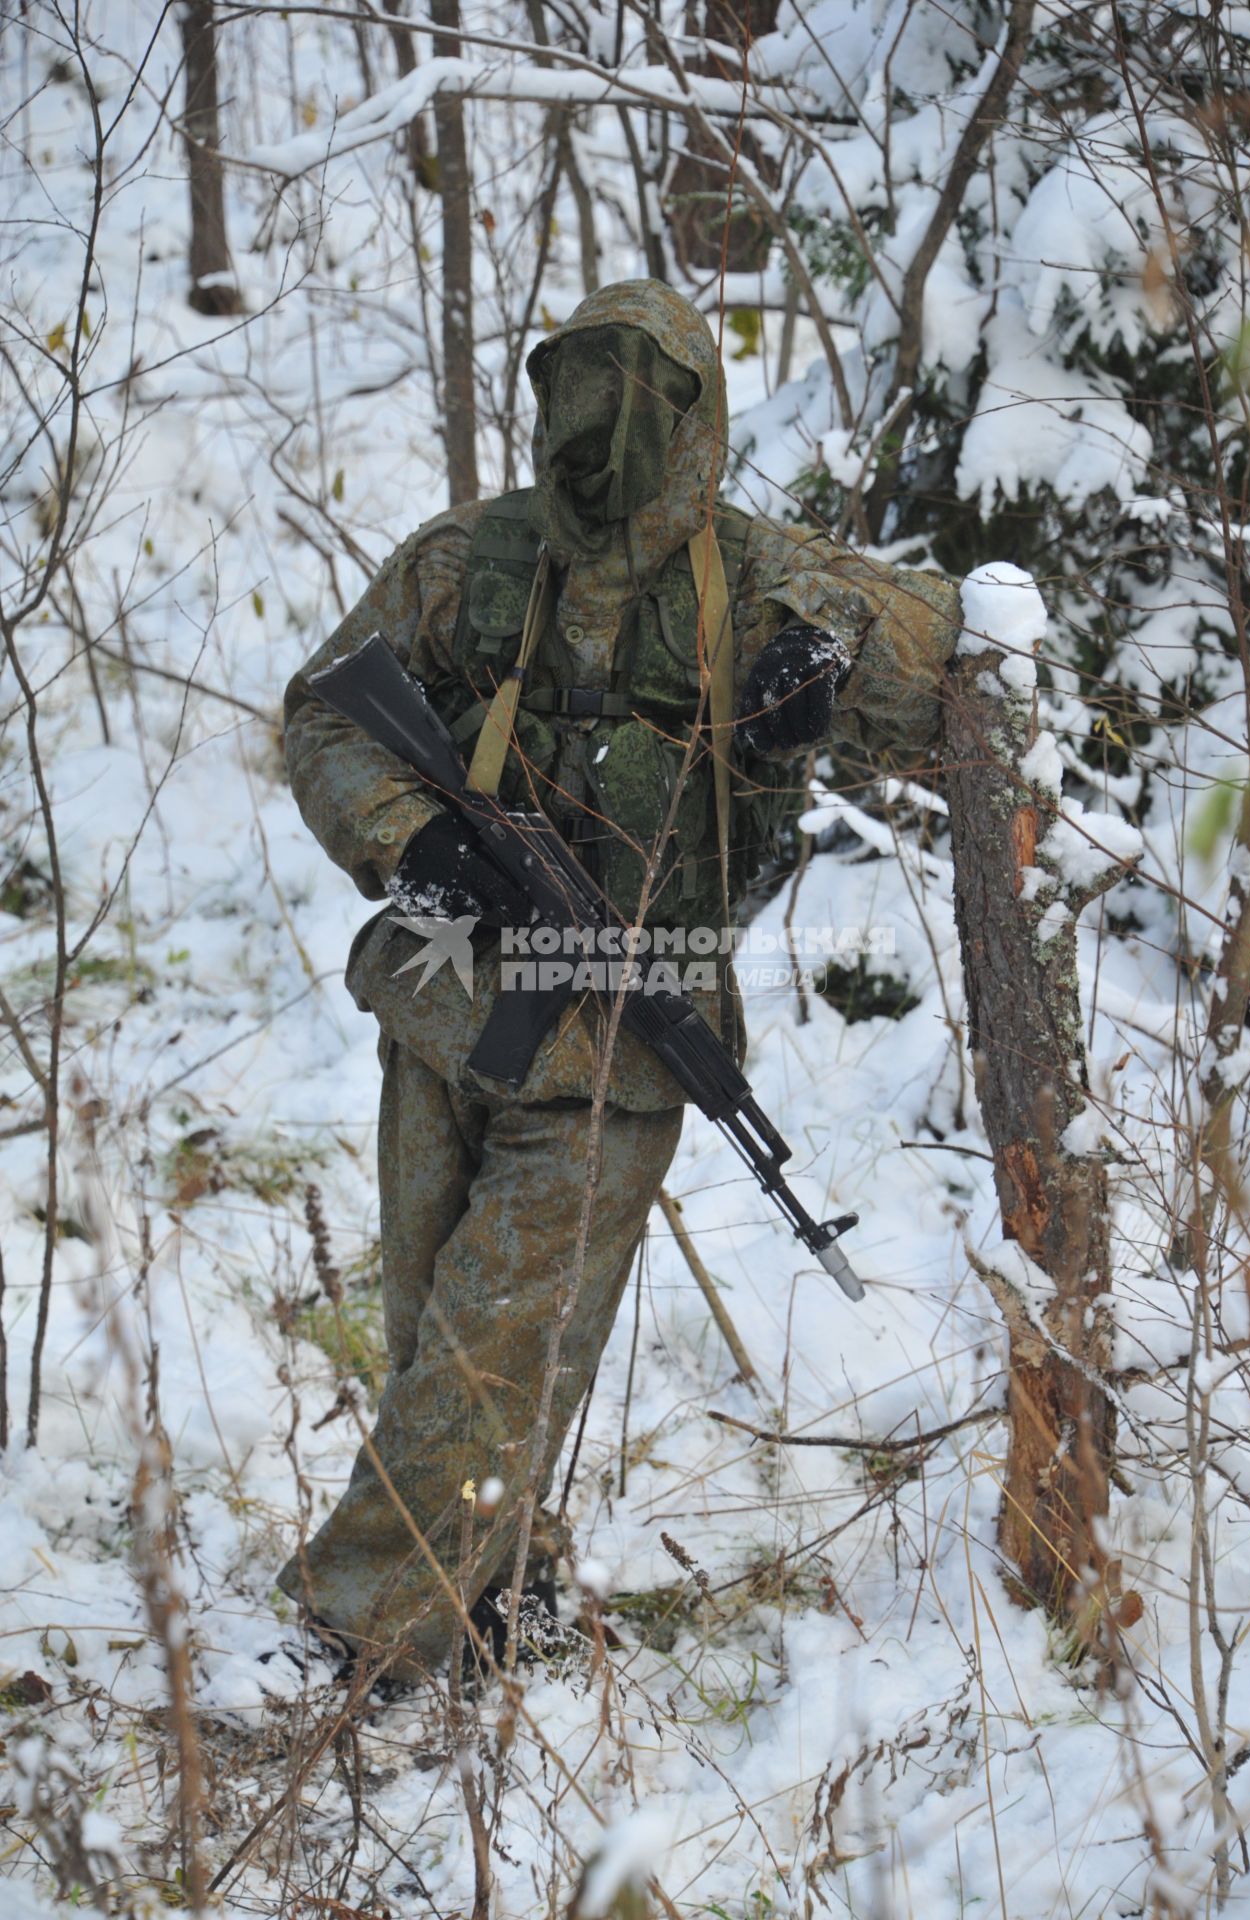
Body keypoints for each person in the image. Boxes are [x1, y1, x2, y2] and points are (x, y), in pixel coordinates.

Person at [279, 279, 958, 1676]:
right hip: (447, 991)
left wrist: (818, 665)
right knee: (436, 1333)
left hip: (621, 1036)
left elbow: (948, 642)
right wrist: (408, 839)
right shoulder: (465, 560)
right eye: (579, 408)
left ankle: (352, 1631)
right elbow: (324, 710)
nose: (602, 444)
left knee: (498, 1342)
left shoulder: (765, 577)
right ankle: (490, 1587)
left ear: (693, 420)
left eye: (636, 411)